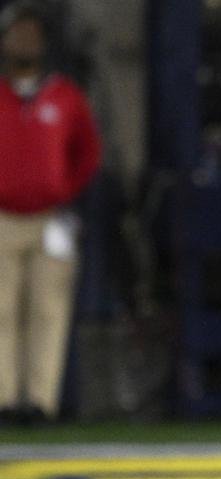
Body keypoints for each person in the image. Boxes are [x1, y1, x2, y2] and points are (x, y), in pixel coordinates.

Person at [0, 1, 101, 425]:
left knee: (49, 311)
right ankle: (5, 400)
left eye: (32, 34)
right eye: (17, 33)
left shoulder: (65, 95)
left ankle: (40, 403)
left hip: (50, 218)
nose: (25, 41)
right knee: (1, 310)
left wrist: (64, 191)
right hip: (2, 217)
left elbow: (89, 152)